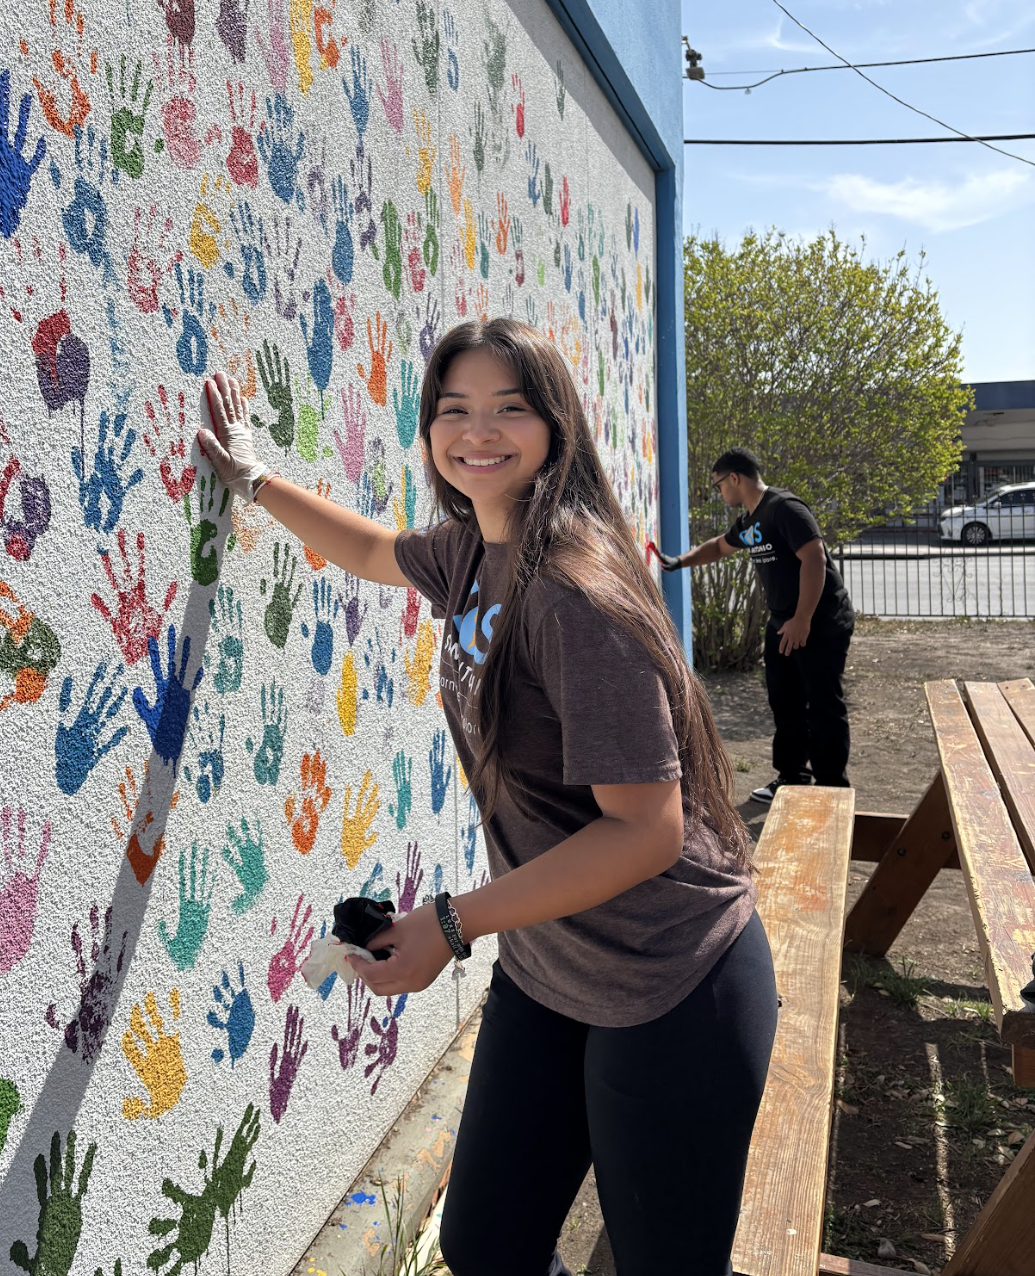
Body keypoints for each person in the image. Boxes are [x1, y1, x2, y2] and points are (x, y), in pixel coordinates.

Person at [197, 319, 778, 1276]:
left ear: (556, 425)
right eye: (454, 410)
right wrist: (256, 480)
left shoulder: (572, 592)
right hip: (551, 966)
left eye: (510, 408)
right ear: (427, 433)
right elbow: (373, 550)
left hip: (669, 982)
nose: (480, 430)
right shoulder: (475, 551)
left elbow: (646, 832)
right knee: (486, 1246)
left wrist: (451, 924)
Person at [655, 448, 855, 803]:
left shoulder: (784, 508)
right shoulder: (751, 522)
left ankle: (832, 790)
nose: (719, 493)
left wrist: (803, 618)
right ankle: (792, 778)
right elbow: (719, 547)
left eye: (718, 485)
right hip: (784, 623)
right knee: (785, 701)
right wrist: (677, 562)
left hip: (820, 622)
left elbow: (814, 558)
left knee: (823, 703)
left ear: (735, 478)